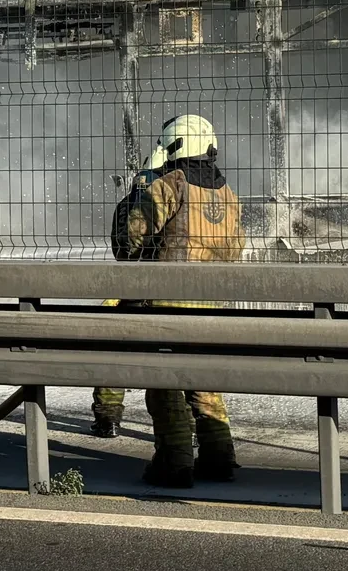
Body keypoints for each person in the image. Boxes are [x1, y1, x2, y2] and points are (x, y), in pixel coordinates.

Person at [109, 114, 246, 489]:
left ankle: (175, 463)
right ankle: (219, 458)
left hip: (168, 306)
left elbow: (129, 241)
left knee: (165, 386)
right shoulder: (228, 194)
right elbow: (236, 249)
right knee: (204, 383)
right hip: (213, 309)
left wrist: (140, 187)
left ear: (172, 145)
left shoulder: (171, 185)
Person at [90, 143, 169, 438]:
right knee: (172, 360)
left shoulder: (125, 203)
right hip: (165, 295)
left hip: (129, 292)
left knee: (114, 353)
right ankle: (186, 426)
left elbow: (119, 249)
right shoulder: (169, 201)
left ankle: (108, 419)